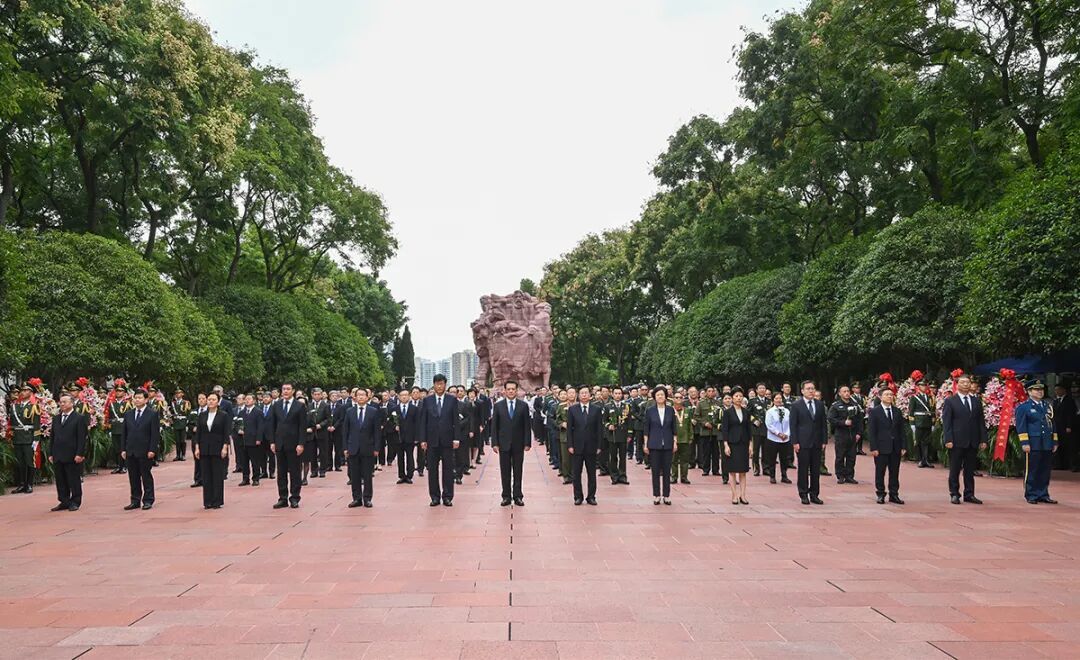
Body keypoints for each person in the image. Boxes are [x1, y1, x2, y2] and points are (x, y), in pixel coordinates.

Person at [941, 373, 986, 505]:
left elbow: (980, 422)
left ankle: (969, 493)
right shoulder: (950, 401)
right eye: (963, 382)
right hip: (956, 440)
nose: (966, 385)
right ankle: (954, 493)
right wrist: (948, 439)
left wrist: (983, 439)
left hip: (972, 440)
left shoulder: (976, 401)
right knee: (955, 468)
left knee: (970, 469)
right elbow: (947, 422)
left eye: (968, 382)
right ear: (957, 384)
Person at [418, 374, 461, 507]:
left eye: (441, 383)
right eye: (437, 384)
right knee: (432, 469)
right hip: (431, 441)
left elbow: (456, 421)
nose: (439, 386)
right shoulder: (427, 400)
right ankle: (435, 496)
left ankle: (447, 496)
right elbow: (423, 421)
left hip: (448, 440)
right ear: (434, 385)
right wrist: (423, 439)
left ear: (445, 385)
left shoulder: (452, 400)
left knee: (448, 469)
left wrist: (456, 438)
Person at [1015, 379, 1058, 504]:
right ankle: (1031, 494)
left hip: (1046, 442)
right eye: (1036, 389)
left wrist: (1054, 441)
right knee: (1032, 469)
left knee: (1045, 469)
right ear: (1029, 391)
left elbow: (1052, 424)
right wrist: (1025, 443)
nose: (1040, 392)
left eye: (1041, 389)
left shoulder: (1047, 406)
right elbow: (1021, 426)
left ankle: (1043, 493)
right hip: (1033, 442)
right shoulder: (1024, 407)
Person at [491, 379, 531, 507]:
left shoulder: (523, 406)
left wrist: (527, 442)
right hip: (503, 444)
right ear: (504, 391)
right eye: (508, 389)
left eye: (513, 389)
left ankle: (518, 496)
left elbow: (527, 426)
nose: (511, 391)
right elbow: (494, 426)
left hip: (519, 444)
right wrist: (495, 443)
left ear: (516, 390)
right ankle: (506, 496)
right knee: (505, 471)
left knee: (518, 471)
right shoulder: (498, 406)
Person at [120, 389, 159, 510]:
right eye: (135, 398)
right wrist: (123, 449)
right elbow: (124, 433)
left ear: (146, 399)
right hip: (131, 450)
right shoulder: (128, 414)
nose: (137, 400)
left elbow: (155, 434)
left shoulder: (152, 414)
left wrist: (152, 449)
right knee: (133, 476)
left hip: (145, 450)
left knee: (145, 476)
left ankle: (148, 500)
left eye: (140, 398)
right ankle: (135, 500)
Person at [270, 383, 308, 509]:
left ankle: (295, 497)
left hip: (294, 444)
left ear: (293, 391)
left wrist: (301, 443)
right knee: (281, 472)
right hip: (280, 443)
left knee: (295, 472)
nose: (285, 391)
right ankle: (283, 498)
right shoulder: (276, 405)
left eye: (288, 389)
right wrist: (272, 442)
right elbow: (272, 425)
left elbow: (302, 427)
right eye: (284, 389)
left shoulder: (300, 406)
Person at [342, 388, 381, 508]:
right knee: (355, 475)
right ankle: (356, 498)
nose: (360, 397)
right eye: (358, 395)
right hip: (353, 448)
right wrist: (345, 448)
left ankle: (367, 498)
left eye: (363, 395)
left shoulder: (373, 411)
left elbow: (377, 432)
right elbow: (345, 431)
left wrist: (376, 448)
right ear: (354, 397)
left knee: (367, 475)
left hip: (368, 448)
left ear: (367, 397)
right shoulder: (349, 411)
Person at [48, 393, 87, 511]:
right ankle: (64, 500)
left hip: (72, 454)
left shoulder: (79, 418)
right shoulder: (56, 418)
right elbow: (52, 437)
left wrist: (80, 453)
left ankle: (75, 501)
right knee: (60, 479)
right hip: (58, 454)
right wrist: (51, 453)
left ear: (72, 403)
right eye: (61, 402)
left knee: (73, 479)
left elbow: (82, 438)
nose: (62, 404)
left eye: (65, 402)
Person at [790, 380, 826, 505]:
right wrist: (795, 442)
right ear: (802, 391)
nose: (811, 391)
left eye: (813, 388)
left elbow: (823, 425)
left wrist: (824, 440)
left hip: (817, 442)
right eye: (808, 389)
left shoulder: (820, 404)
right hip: (802, 442)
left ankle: (814, 494)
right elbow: (793, 425)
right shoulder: (796, 405)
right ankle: (803, 493)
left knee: (816, 470)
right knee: (803, 469)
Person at [867, 388, 906, 504]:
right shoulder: (874, 412)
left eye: (891, 394)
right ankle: (880, 493)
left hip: (895, 446)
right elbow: (872, 431)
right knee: (880, 471)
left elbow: (901, 431)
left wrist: (903, 446)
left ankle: (894, 494)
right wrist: (874, 447)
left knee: (894, 472)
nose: (889, 396)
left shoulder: (897, 411)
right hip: (881, 446)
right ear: (880, 397)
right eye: (886, 394)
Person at [567, 385, 603, 505]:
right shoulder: (572, 409)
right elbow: (569, 430)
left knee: (591, 473)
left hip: (591, 447)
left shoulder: (596, 409)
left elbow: (599, 429)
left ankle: (591, 496)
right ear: (578, 395)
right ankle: (578, 496)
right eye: (582, 393)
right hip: (577, 447)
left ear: (590, 395)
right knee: (576, 473)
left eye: (586, 393)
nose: (584, 395)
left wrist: (599, 446)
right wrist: (570, 445)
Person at [193, 392, 230, 509]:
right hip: (204, 448)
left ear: (218, 402)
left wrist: (225, 447)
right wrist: (197, 448)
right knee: (206, 475)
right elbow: (198, 433)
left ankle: (217, 500)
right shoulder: (202, 415)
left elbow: (226, 433)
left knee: (217, 474)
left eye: (213, 399)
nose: (210, 401)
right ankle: (207, 501)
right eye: (209, 399)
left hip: (217, 447)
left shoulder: (223, 415)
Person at [644, 386, 677, 505]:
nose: (660, 397)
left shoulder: (670, 410)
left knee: (667, 471)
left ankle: (666, 495)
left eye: (662, 394)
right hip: (654, 444)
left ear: (666, 396)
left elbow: (674, 428)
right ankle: (657, 495)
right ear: (654, 397)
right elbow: (646, 429)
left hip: (668, 444)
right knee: (655, 471)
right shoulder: (650, 411)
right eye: (658, 395)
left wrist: (675, 441)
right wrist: (646, 443)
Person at [721, 387, 752, 505]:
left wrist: (750, 445)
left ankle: (743, 495)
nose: (738, 398)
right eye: (736, 396)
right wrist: (726, 445)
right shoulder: (727, 412)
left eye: (740, 396)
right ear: (732, 398)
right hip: (732, 444)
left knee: (743, 471)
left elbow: (749, 429)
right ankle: (734, 495)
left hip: (743, 443)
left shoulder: (746, 412)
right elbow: (725, 430)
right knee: (733, 471)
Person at [9, 383, 40, 494]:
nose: (22, 392)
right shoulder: (14, 406)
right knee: (20, 462)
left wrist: (36, 439)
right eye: (22, 390)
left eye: (26, 390)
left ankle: (29, 484)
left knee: (29, 462)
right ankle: (22, 484)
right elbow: (12, 423)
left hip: (28, 438)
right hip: (17, 438)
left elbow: (36, 424)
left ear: (31, 392)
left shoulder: (34, 406)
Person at [828, 385, 863, 484]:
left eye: (848, 391)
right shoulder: (836, 405)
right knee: (840, 456)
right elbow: (831, 419)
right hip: (841, 434)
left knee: (851, 456)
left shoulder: (855, 405)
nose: (847, 393)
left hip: (853, 434)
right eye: (844, 391)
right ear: (840, 393)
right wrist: (843, 423)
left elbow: (860, 420)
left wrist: (859, 433)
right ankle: (840, 475)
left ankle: (849, 476)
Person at [764, 392, 793, 484]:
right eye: (776, 398)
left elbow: (790, 424)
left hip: (785, 439)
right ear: (773, 400)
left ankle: (784, 475)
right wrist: (778, 433)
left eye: (780, 398)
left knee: (784, 458)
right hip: (773, 439)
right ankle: (772, 476)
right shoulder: (770, 412)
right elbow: (769, 425)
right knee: (772, 458)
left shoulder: (787, 411)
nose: (778, 400)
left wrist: (786, 434)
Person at [908, 378, 936, 468]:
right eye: (922, 385)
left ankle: (926, 459)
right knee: (919, 441)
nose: (924, 387)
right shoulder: (914, 397)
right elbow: (911, 411)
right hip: (918, 421)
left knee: (927, 442)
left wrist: (933, 423)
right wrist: (912, 424)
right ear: (918, 387)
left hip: (927, 422)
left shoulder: (930, 397)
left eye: (925, 385)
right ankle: (920, 460)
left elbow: (932, 411)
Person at [606, 386, 631, 485]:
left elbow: (629, 421)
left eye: (619, 393)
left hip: (623, 434)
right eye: (616, 393)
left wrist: (629, 433)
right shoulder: (608, 406)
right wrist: (608, 425)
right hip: (612, 435)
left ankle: (622, 476)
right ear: (612, 394)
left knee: (622, 456)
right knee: (613, 456)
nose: (618, 395)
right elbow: (604, 420)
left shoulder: (626, 406)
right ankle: (614, 476)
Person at [236, 393, 261, 486]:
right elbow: (237, 423)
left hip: (253, 440)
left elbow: (260, 426)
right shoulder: (241, 412)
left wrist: (258, 438)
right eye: (246, 399)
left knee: (255, 461)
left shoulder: (258, 412)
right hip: (243, 440)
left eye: (249, 399)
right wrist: (238, 429)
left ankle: (256, 478)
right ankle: (245, 478)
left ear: (254, 401)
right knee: (244, 461)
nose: (247, 401)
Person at [671, 390, 693, 485]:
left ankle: (684, 477)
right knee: (673, 460)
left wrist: (691, 437)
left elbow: (690, 425)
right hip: (674, 439)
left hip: (685, 439)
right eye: (676, 397)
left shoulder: (687, 410)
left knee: (685, 460)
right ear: (673, 399)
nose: (679, 399)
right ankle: (674, 477)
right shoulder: (670, 411)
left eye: (680, 397)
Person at [1051, 383, 1076, 470]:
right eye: (1055, 390)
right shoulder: (1055, 401)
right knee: (1058, 445)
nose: (1057, 391)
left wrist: (1069, 426)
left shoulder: (1069, 401)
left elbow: (1071, 414)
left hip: (1066, 427)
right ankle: (1059, 465)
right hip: (1057, 427)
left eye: (1058, 389)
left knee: (1068, 446)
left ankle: (1071, 465)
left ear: (1063, 390)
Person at [747, 383, 769, 477]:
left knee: (766, 450)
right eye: (760, 388)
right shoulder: (752, 401)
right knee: (755, 450)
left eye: (763, 388)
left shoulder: (769, 401)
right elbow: (747, 413)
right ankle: (756, 468)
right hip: (756, 429)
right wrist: (754, 420)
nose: (762, 390)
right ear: (756, 390)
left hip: (767, 429)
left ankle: (766, 468)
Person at [396, 388, 417, 484]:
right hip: (398, 437)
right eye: (402, 395)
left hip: (410, 436)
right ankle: (401, 475)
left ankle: (409, 475)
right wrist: (394, 426)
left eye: (406, 395)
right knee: (400, 457)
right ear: (399, 397)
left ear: (409, 396)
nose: (404, 397)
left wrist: (417, 437)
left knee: (409, 456)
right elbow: (390, 421)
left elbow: (418, 423)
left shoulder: (414, 409)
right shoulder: (394, 409)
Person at [170, 389, 191, 461]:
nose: (177, 394)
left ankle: (183, 455)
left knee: (183, 440)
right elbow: (171, 413)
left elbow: (188, 413)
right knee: (177, 440)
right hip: (176, 423)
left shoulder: (186, 403)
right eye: (176, 393)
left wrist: (187, 423)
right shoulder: (173, 403)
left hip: (183, 422)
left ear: (182, 394)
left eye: (179, 393)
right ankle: (178, 455)